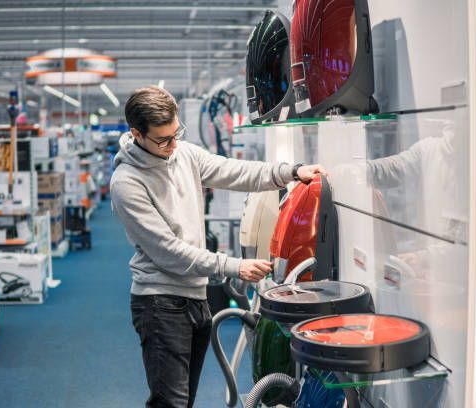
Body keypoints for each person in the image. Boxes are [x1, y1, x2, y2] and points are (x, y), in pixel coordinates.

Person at [110, 86, 327, 408]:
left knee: (183, 400)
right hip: (160, 303)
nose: (172, 145)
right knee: (171, 402)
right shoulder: (126, 183)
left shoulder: (183, 153)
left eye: (176, 134)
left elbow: (232, 170)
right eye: (163, 140)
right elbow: (167, 250)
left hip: (194, 297)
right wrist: (232, 266)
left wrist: (291, 172)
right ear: (136, 134)